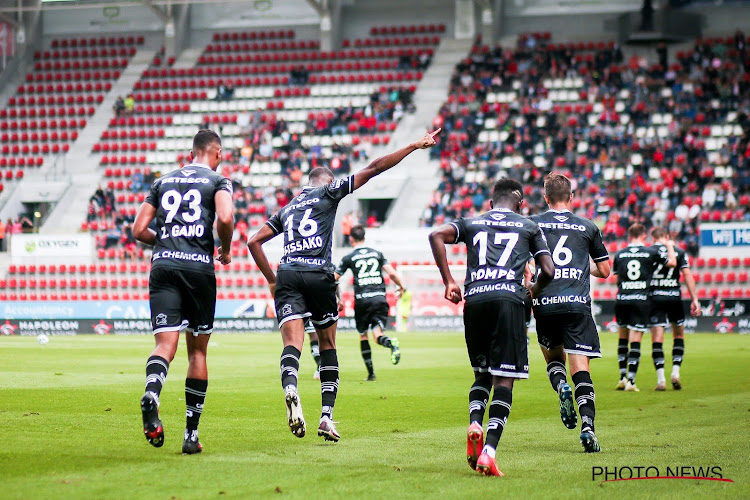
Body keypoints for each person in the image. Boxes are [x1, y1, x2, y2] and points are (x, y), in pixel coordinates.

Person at [247, 129, 440, 443]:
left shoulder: (289, 207)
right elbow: (374, 168)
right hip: (318, 273)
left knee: (292, 345)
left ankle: (291, 388)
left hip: (288, 273)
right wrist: (413, 145)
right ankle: (326, 417)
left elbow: (253, 241)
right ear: (328, 181)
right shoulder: (328, 191)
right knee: (328, 345)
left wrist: (271, 280)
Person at [428, 178, 554, 477]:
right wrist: (531, 292)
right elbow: (548, 270)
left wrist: (449, 281)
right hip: (508, 300)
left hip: (475, 299)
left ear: (490, 202)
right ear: (520, 203)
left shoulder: (472, 222)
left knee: (481, 374)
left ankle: (475, 421)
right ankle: (489, 453)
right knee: (504, 380)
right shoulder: (528, 226)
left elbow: (435, 235)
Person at [132, 129, 234, 455]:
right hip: (198, 269)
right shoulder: (218, 181)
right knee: (198, 353)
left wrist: (164, 241)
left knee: (165, 344)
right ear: (216, 154)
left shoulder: (162, 182)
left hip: (162, 266)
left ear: (192, 153)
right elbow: (226, 217)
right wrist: (226, 249)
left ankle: (152, 393)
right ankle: (191, 435)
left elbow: (137, 230)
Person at [529, 173, 610, 453]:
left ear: (546, 197)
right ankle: (588, 426)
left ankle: (560, 384)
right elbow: (605, 271)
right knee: (581, 368)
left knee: (553, 358)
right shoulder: (588, 226)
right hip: (576, 304)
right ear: (572, 197)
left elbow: (523, 261)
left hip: (545, 301)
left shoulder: (534, 224)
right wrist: (579, 262)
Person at [335, 225, 406, 381]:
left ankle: (371, 374)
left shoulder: (349, 257)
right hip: (380, 298)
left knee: (363, 336)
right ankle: (390, 343)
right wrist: (401, 287)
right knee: (377, 335)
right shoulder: (377, 254)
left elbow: (334, 278)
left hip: (362, 300)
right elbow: (392, 273)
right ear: (365, 238)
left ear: (351, 239)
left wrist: (337, 298)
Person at [613, 223, 676, 392]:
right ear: (643, 236)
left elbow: (616, 277)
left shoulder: (620, 254)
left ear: (628, 236)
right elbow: (671, 263)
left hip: (622, 298)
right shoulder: (650, 252)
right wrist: (669, 246)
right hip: (640, 299)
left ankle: (621, 377)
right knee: (635, 339)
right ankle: (631, 381)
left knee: (622, 338)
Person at [648, 227, 701, 390]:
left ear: (653, 238)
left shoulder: (648, 252)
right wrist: (694, 298)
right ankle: (676, 373)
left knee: (657, 338)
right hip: (674, 297)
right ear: (668, 236)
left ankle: (661, 379)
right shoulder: (678, 251)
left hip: (655, 298)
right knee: (678, 334)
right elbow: (687, 275)